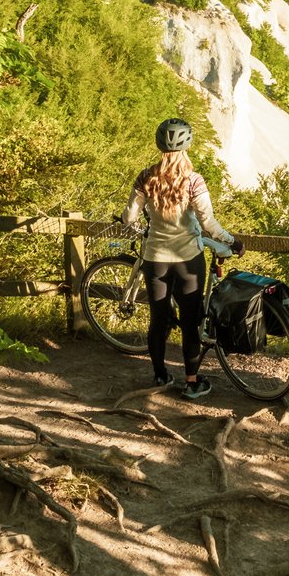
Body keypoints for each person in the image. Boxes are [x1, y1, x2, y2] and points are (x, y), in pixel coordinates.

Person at [123, 118, 242, 399]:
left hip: (155, 259)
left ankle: (160, 375)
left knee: (158, 319)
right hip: (188, 260)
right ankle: (192, 382)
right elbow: (208, 223)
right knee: (190, 323)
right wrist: (231, 241)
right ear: (187, 145)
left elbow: (128, 217)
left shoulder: (145, 177)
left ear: (159, 144)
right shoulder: (194, 181)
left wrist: (144, 225)